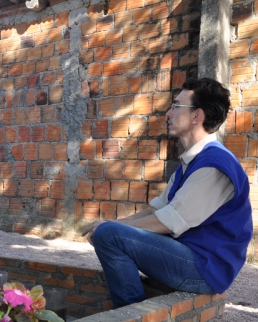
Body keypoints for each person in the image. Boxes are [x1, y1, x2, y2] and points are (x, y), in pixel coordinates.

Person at [82, 78, 252, 308]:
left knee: (110, 236)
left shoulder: (214, 164)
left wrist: (110, 229)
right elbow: (158, 210)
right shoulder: (193, 160)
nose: (168, 114)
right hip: (191, 256)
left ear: (196, 116)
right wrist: (113, 222)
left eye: (176, 106)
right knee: (111, 231)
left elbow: (169, 223)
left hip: (205, 268)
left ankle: (130, 318)